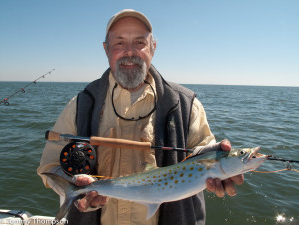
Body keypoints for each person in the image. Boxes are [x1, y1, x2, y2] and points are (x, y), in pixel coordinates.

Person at [38, 9, 244, 225]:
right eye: (119, 43)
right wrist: (77, 186)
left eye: (139, 43)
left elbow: (202, 153)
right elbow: (49, 166)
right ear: (106, 49)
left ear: (153, 48)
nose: (130, 52)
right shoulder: (80, 105)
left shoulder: (186, 104)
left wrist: (217, 158)